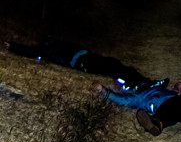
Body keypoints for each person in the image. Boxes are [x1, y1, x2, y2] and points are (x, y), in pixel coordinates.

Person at [4, 38, 156, 90]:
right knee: (112, 68)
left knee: (115, 64)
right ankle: (133, 84)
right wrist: (13, 47)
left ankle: (148, 82)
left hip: (89, 56)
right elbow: (31, 51)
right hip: (83, 62)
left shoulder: (60, 44)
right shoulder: (46, 51)